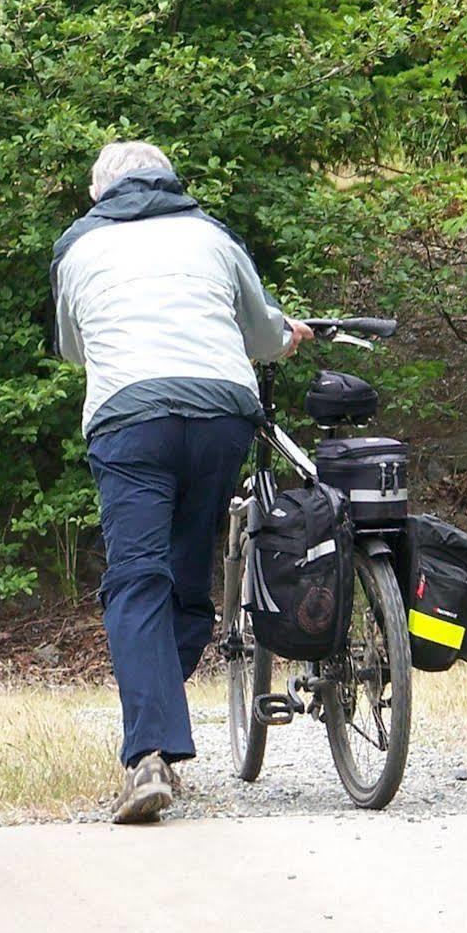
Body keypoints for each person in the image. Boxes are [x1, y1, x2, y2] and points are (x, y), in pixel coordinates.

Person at [52, 141, 310, 824]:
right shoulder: (211, 235)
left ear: (97, 194)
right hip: (221, 410)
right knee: (186, 584)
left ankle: (150, 754)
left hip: (129, 418)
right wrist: (289, 339)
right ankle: (159, 735)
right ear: (171, 182)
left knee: (137, 578)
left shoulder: (76, 248)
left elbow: (73, 347)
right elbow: (261, 336)